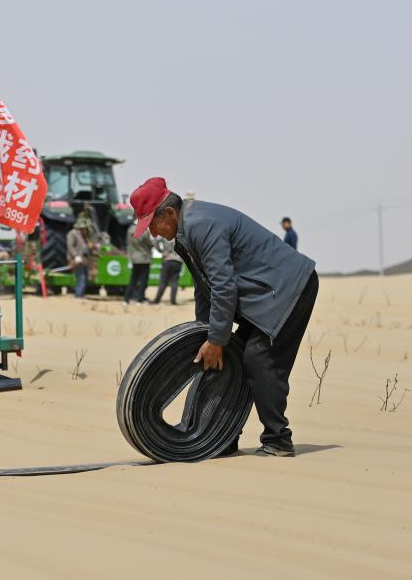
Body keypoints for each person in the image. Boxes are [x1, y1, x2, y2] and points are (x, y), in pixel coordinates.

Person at [131, 177, 318, 457]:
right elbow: (203, 287)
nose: (154, 234)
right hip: (262, 294)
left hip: (290, 288)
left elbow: (223, 285)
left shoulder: (202, 225)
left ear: (169, 213)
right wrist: (205, 334)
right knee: (230, 359)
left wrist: (217, 340)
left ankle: (278, 439)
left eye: (152, 225)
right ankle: (223, 437)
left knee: (259, 359)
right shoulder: (185, 232)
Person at [123, 222, 153, 304]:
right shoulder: (144, 231)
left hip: (134, 258)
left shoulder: (130, 230)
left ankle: (126, 299)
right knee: (143, 280)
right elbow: (150, 243)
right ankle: (140, 299)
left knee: (133, 279)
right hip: (144, 258)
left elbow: (128, 244)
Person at [152, 237, 183, 305]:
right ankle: (173, 301)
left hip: (167, 259)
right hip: (178, 260)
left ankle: (157, 300)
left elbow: (154, 241)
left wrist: (161, 251)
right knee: (174, 281)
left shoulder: (166, 234)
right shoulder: (180, 235)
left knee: (163, 281)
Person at [66, 218, 90, 298]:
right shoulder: (72, 233)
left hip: (84, 260)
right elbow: (70, 246)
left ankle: (80, 294)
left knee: (85, 277)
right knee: (81, 277)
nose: (84, 229)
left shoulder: (84, 234)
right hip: (76, 260)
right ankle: (79, 295)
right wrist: (76, 256)